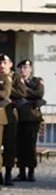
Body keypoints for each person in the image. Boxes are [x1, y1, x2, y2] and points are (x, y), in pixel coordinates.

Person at [11, 60, 43, 182]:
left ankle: (31, 171)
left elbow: (39, 93)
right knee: (19, 145)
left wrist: (23, 90)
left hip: (32, 116)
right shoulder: (15, 81)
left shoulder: (36, 81)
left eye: (26, 67)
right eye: (21, 68)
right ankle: (21, 171)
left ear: (30, 69)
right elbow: (12, 93)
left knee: (30, 145)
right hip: (18, 116)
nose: (23, 70)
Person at [0, 54, 13, 186]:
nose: (1, 65)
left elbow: (5, 94)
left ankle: (8, 173)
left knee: (9, 147)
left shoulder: (7, 79)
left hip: (5, 117)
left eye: (4, 62)